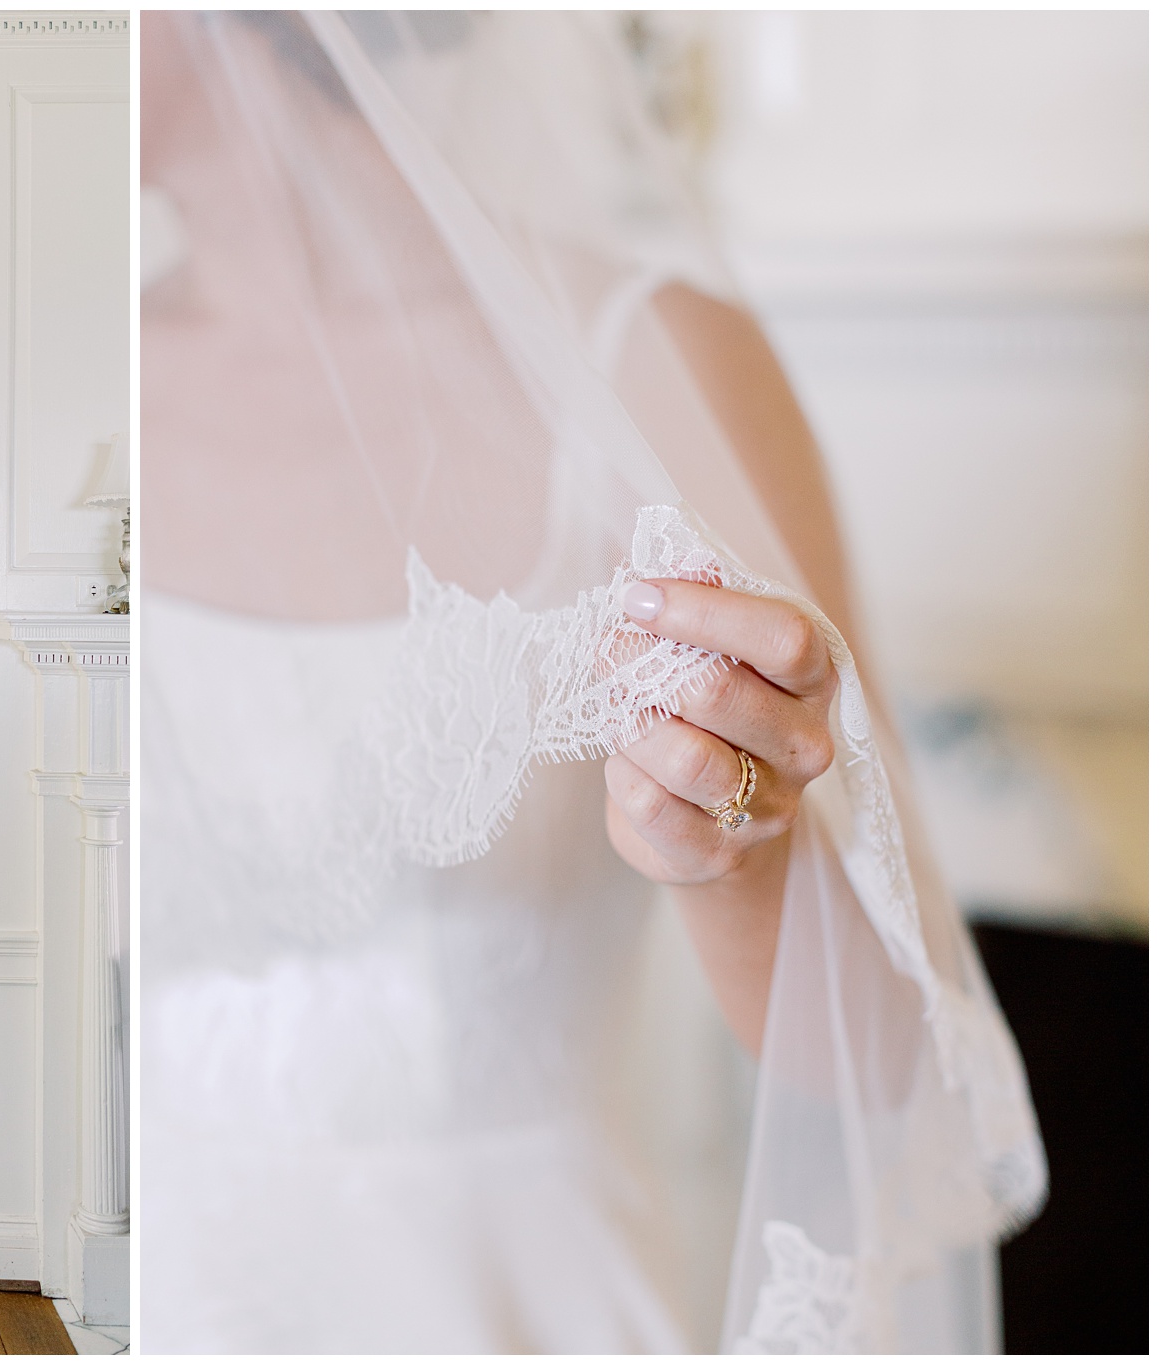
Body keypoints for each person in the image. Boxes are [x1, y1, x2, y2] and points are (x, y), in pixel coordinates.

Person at [141, 12, 1042, 1353]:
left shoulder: (650, 363)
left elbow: (887, 1068)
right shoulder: (65, 383)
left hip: (517, 1302)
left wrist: (736, 853)